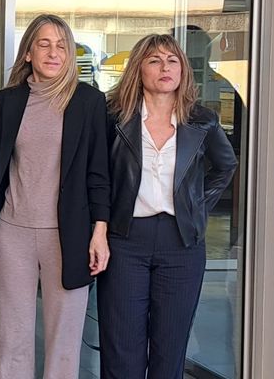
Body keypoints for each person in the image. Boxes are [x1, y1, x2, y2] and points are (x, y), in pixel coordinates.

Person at [97, 34, 237, 379]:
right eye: (155, 60)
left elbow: (226, 165)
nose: (165, 68)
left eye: (172, 60)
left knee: (170, 349)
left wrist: (196, 206)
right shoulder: (113, 117)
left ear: (183, 70)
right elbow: (96, 175)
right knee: (121, 348)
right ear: (138, 69)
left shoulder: (202, 120)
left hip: (181, 244)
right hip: (125, 241)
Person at [0, 13, 110, 379]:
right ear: (28, 54)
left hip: (67, 235)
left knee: (64, 344)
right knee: (12, 342)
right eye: (44, 44)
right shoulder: (8, 101)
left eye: (62, 46)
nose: (54, 53)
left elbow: (99, 172)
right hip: (12, 233)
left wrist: (100, 231)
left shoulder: (88, 102)